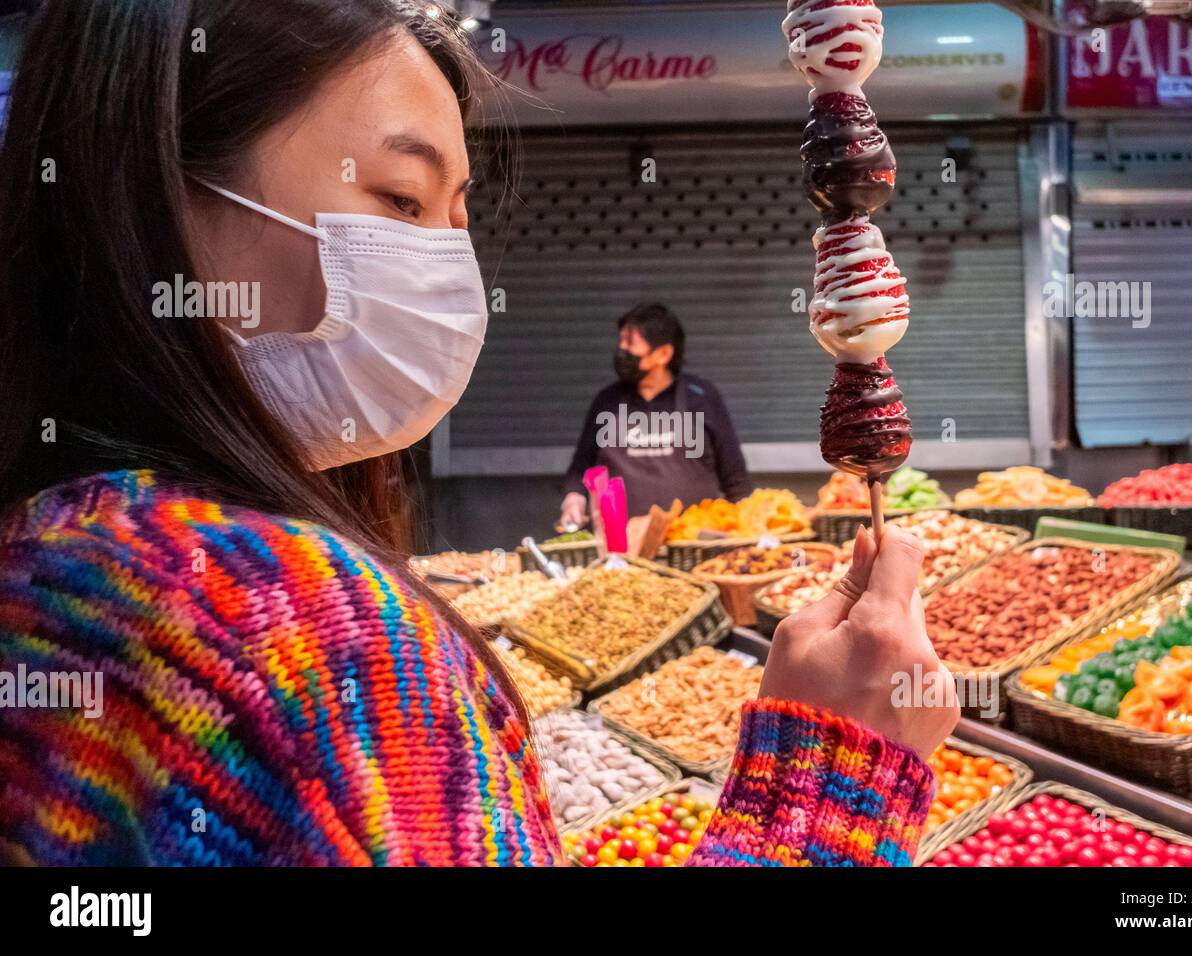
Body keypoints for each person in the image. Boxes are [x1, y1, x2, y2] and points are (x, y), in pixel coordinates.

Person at [0, 0, 957, 866]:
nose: (441, 270)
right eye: (399, 200)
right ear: (157, 195)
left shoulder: (49, 557)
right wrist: (831, 782)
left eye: (453, 220)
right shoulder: (296, 634)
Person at [559, 304, 753, 527]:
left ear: (664, 354)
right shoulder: (606, 401)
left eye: (630, 343)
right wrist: (573, 499)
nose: (621, 350)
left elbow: (736, 479)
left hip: (693, 543)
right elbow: (580, 469)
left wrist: (751, 531)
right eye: (620, 341)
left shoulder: (702, 397)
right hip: (621, 549)